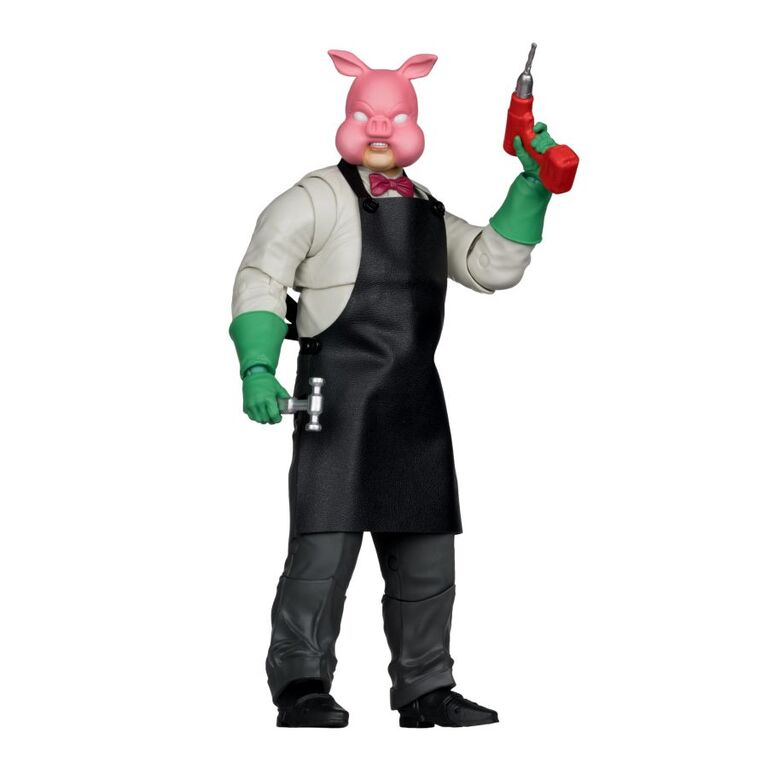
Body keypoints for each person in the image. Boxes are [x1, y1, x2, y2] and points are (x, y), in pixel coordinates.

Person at [229, 49, 561, 728]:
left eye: (396, 117)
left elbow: (487, 266)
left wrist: (531, 188)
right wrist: (257, 366)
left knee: (427, 552)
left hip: (415, 404)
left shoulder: (426, 206)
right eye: (366, 115)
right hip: (335, 400)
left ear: (415, 122)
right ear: (346, 118)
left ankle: (425, 686)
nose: (380, 129)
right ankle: (301, 682)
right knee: (323, 549)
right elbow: (262, 276)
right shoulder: (313, 199)